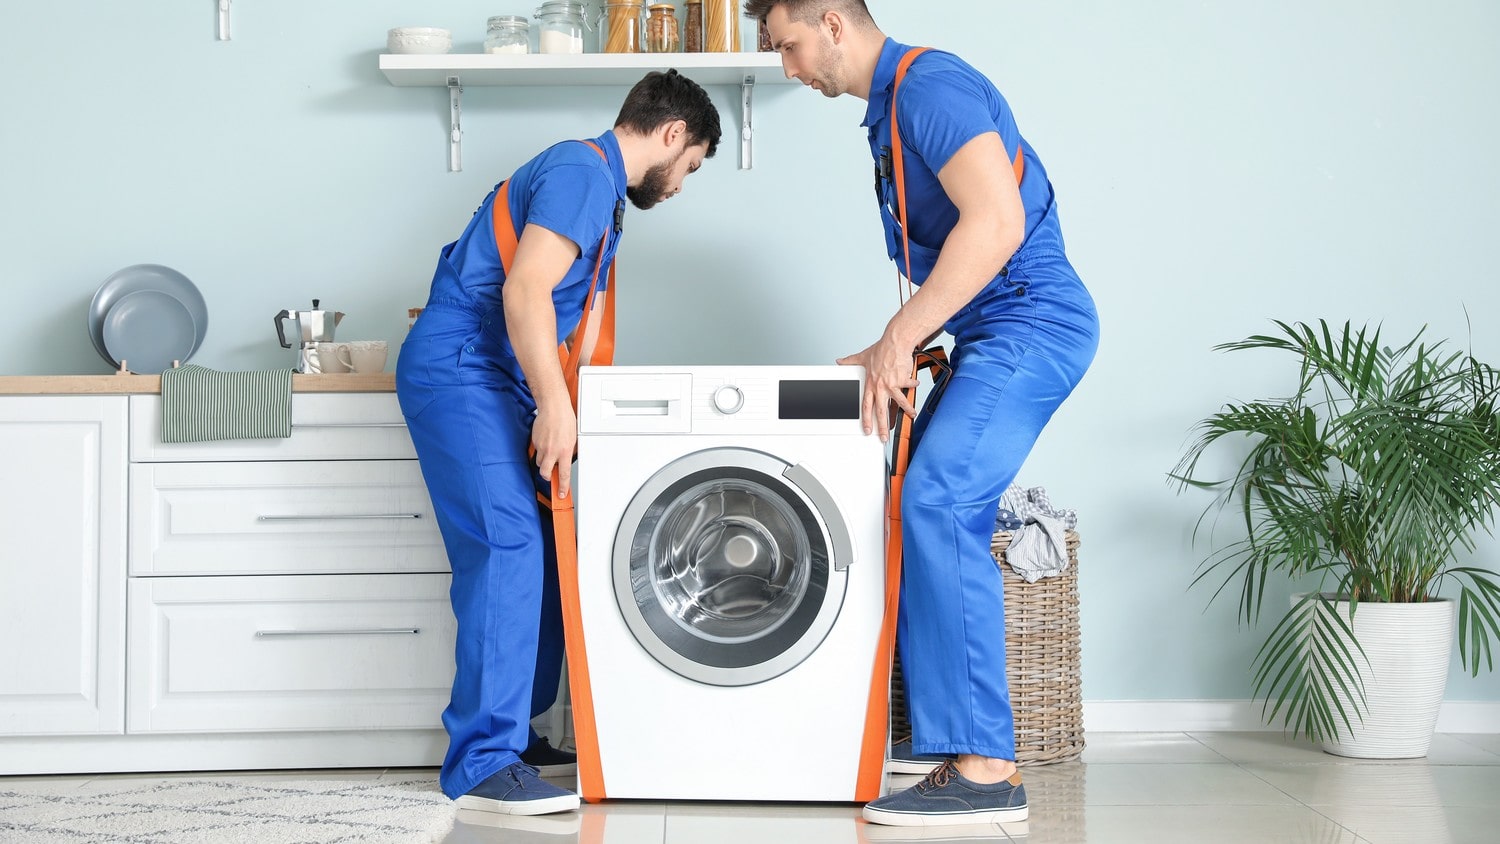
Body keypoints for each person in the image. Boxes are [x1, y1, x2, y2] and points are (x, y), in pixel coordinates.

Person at [745, 0, 1099, 827]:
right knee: (905, 505)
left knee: (939, 501)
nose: (789, 70)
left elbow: (999, 221)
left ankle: (987, 767)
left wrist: (902, 336)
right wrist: (886, 349)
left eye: (789, 46)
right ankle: (947, 742)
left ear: (832, 21)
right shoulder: (888, 114)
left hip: (1033, 324)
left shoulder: (929, 88)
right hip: (991, 330)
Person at [395, 70, 722, 817]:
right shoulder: (581, 172)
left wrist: (573, 407)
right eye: (693, 165)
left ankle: (518, 735)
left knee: (544, 543)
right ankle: (483, 759)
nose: (681, 184)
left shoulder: (598, 192)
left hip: (496, 371)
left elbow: (569, 318)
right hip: (464, 365)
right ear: (672, 135)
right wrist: (553, 403)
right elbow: (524, 292)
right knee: (506, 545)